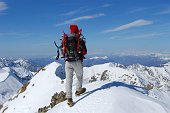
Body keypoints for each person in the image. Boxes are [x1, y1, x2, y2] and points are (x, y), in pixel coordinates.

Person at [61, 24, 87, 107]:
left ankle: (69, 98)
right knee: (79, 76)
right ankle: (78, 90)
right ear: (77, 30)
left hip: (67, 62)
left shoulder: (66, 39)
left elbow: (63, 51)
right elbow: (84, 52)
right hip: (77, 61)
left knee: (68, 80)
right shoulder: (79, 38)